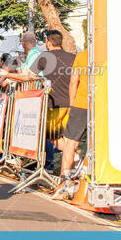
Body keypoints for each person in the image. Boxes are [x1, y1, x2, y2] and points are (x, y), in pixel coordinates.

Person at [30, 30, 75, 172]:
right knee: (69, 137)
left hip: (53, 103)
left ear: (48, 42)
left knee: (50, 135)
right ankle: (69, 172)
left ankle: (75, 156)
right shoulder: (73, 57)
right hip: (72, 102)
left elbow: (30, 75)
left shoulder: (45, 56)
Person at [54, 48, 88, 198]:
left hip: (81, 104)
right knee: (96, 145)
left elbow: (74, 81)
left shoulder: (82, 55)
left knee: (70, 144)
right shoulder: (108, 53)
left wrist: (72, 103)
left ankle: (64, 183)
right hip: (101, 106)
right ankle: (91, 182)